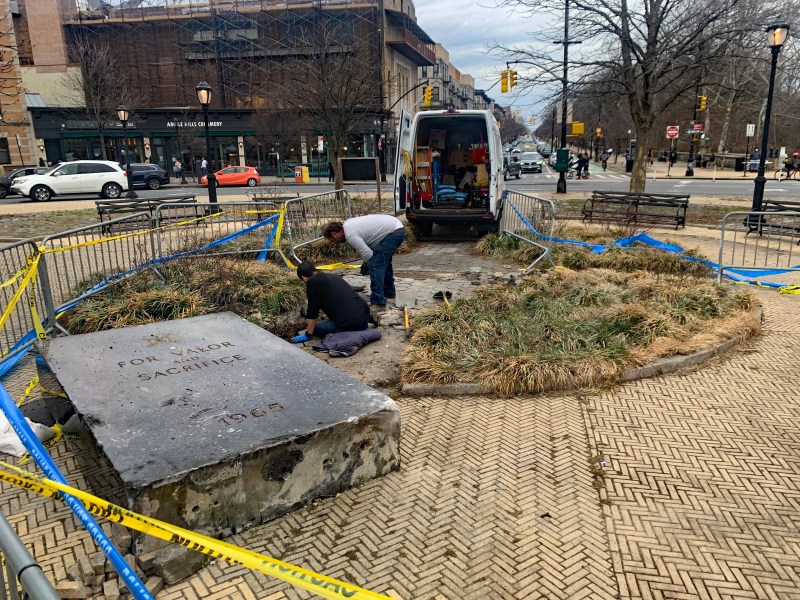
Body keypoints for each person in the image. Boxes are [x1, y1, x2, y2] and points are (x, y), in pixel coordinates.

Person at [322, 215, 406, 308]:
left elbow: (368, 254)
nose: (334, 242)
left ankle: (378, 302)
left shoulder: (350, 235)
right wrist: (365, 263)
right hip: (395, 228)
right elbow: (369, 250)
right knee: (383, 261)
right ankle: (389, 291)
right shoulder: (348, 225)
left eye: (332, 239)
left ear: (334, 234)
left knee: (375, 265)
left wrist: (366, 265)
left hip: (393, 232)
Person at [291, 262, 372, 342]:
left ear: (303, 278)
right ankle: (369, 319)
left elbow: (313, 311)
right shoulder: (333, 276)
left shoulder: (311, 282)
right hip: (364, 315)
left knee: (314, 327)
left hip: (351, 323)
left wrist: (308, 334)